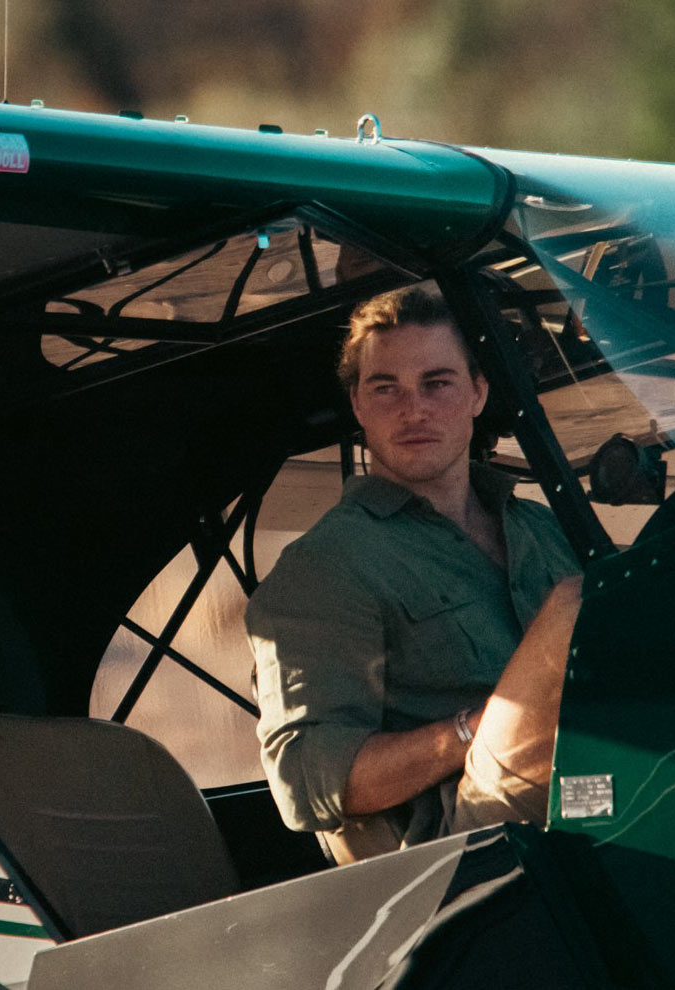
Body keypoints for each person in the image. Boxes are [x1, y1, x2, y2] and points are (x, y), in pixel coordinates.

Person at [247, 284, 584, 863]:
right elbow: (303, 786)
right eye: (386, 389)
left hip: (586, 794)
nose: (414, 409)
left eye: (437, 383)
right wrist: (481, 727)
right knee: (574, 609)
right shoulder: (327, 565)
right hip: (461, 852)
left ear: (478, 392)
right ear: (357, 405)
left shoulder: (541, 528)